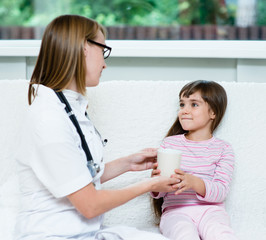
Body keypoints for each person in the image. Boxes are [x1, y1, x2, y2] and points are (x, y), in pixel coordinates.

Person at [14, 15, 179, 240]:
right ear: (84, 48)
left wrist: (128, 163)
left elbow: (79, 175)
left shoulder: (69, 107)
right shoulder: (49, 119)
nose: (104, 63)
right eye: (103, 50)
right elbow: (89, 205)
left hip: (83, 233)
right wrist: (150, 184)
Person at [151, 80, 238, 240]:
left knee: (221, 234)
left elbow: (221, 191)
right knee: (184, 234)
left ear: (213, 113)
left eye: (194, 105)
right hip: (175, 211)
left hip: (211, 211)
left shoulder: (223, 149)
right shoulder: (170, 144)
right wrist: (156, 183)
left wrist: (193, 182)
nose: (184, 111)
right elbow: (160, 192)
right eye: (182, 105)